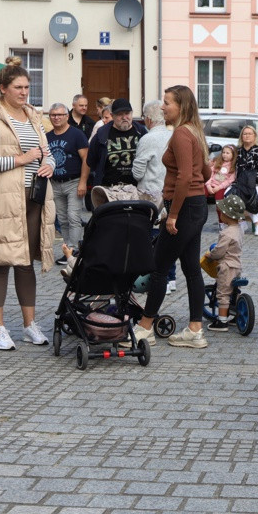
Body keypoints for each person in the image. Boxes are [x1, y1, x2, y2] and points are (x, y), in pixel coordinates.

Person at [0, 57, 56, 351]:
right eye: (18, 87)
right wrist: (20, 160)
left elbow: (46, 152)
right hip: (2, 200)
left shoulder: (33, 116)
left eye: (27, 87)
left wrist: (49, 164)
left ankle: (29, 324)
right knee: (0, 262)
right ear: (3, 88)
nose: (24, 92)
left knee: (25, 263)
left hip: (33, 199)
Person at [131, 85, 212, 349]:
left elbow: (186, 176)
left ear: (181, 106)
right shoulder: (194, 131)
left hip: (185, 208)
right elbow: (206, 173)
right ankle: (195, 330)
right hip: (197, 205)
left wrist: (172, 214)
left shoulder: (179, 134)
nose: (163, 107)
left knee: (158, 268)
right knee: (190, 269)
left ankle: (145, 327)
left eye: (167, 103)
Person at [132, 100, 178, 294]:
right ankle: (171, 277)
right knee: (169, 235)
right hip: (170, 192)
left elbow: (137, 172)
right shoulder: (173, 135)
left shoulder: (147, 139)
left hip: (151, 194)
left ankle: (156, 278)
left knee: (152, 238)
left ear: (148, 119)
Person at [44, 102, 88, 257]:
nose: (56, 118)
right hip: (55, 183)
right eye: (53, 115)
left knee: (73, 217)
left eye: (59, 115)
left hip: (73, 182)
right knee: (62, 219)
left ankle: (74, 250)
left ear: (67, 116)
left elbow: (86, 159)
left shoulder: (77, 135)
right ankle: (67, 250)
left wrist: (83, 182)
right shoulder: (47, 137)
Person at [83, 98, 146, 191]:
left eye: (127, 113)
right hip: (108, 189)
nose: (124, 117)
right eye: (120, 114)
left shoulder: (141, 132)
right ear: (112, 115)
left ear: (132, 113)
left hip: (137, 189)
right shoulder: (101, 135)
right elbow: (91, 161)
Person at [203, 194, 245, 332]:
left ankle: (222, 322)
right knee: (233, 291)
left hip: (227, 267)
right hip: (237, 266)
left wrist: (211, 255)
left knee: (223, 293)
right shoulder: (239, 230)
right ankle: (235, 314)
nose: (220, 214)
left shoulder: (226, 233)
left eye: (222, 212)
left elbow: (220, 251)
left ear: (227, 215)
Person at [236, 125, 258, 237]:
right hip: (239, 184)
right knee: (228, 193)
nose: (247, 136)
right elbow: (232, 169)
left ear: (254, 136)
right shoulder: (237, 151)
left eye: (249, 133)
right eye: (244, 133)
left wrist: (248, 181)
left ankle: (257, 224)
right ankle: (241, 222)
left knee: (251, 195)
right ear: (241, 136)